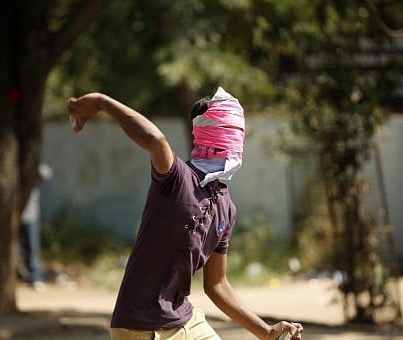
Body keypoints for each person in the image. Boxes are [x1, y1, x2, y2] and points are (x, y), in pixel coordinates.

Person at [67, 88, 303, 339]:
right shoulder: (176, 178)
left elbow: (217, 285)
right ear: (207, 133)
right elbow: (155, 140)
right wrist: (102, 102)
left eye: (239, 131)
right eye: (230, 128)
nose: (237, 139)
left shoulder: (226, 208)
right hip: (139, 325)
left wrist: (266, 332)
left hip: (185, 319)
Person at [18, 163, 53, 292]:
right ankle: (22, 275)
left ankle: (36, 276)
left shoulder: (30, 164)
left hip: (30, 214)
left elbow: (47, 173)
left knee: (33, 248)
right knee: (17, 250)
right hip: (13, 216)